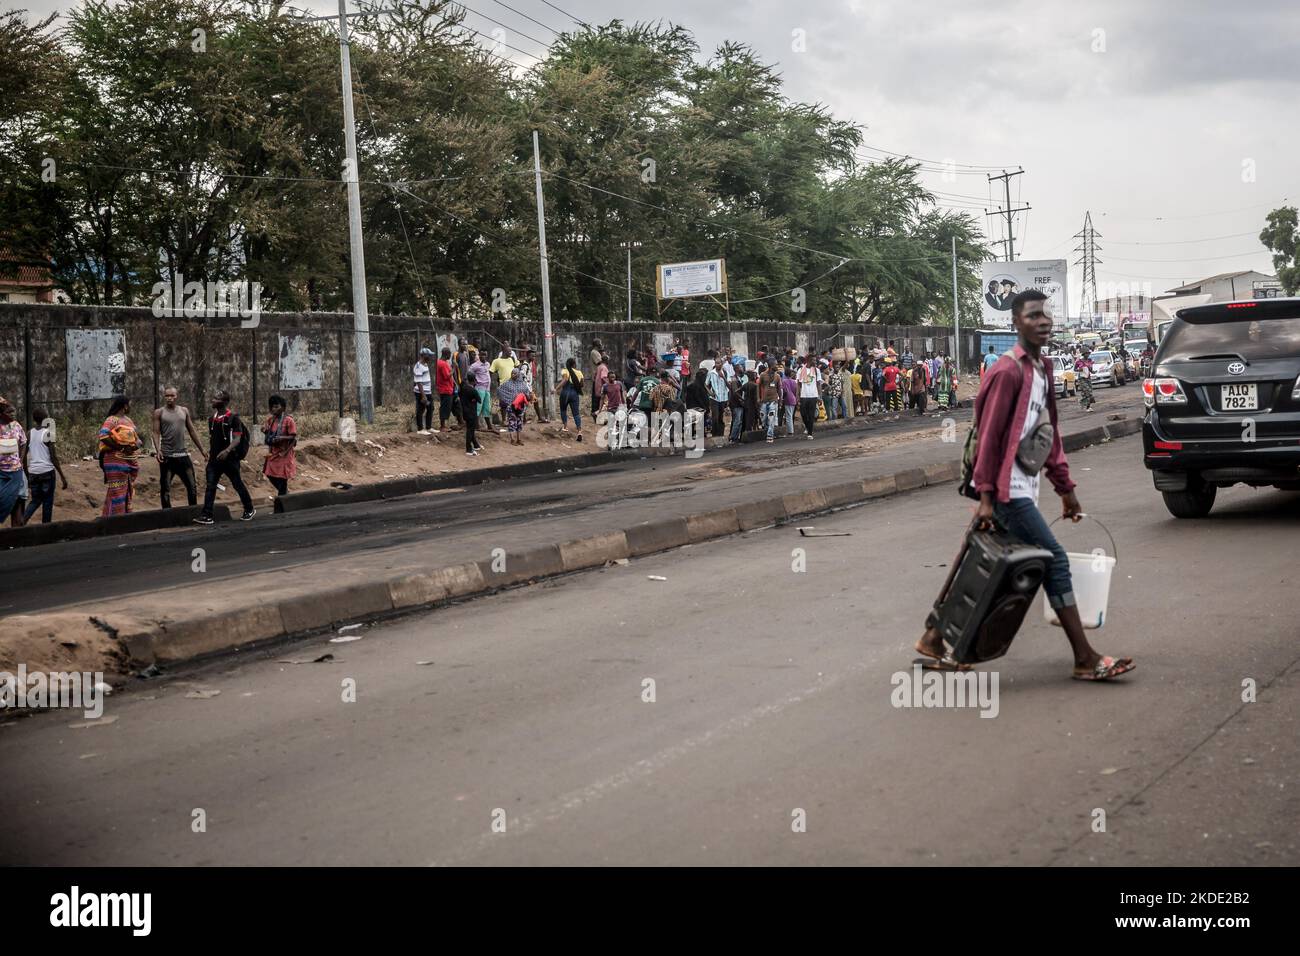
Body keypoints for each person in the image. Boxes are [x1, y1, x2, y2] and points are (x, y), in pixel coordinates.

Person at [916, 289, 1135, 681]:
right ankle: (1084, 657)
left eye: (1046, 315)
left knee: (974, 561)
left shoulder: (1042, 370)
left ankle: (934, 637)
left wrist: (1066, 490)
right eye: (1033, 315)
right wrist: (986, 497)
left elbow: (1046, 436)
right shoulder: (1006, 371)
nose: (1043, 321)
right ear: (1016, 322)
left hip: (1020, 487)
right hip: (1006, 491)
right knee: (1055, 561)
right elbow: (990, 436)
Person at [195, 389, 254, 524]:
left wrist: (227, 451)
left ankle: (249, 508)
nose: (213, 400)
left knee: (237, 484)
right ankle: (207, 515)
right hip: (214, 460)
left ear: (225, 402)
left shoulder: (233, 418)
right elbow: (213, 438)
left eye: (216, 398)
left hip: (230, 460)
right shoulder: (211, 419)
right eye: (214, 398)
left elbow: (237, 439)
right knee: (210, 486)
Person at [152, 385, 206, 509]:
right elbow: (156, 432)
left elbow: (192, 431)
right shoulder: (159, 412)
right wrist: (157, 450)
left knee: (192, 487)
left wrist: (202, 450)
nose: (169, 398)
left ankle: (193, 511)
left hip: (183, 456)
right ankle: (167, 515)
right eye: (167, 396)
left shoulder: (184, 411)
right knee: (165, 489)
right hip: (167, 457)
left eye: (172, 395)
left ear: (176, 396)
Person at [22, 408, 68, 524]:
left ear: (34, 419)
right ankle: (46, 531)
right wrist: (62, 476)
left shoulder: (29, 433)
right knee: (47, 502)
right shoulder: (48, 433)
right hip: (47, 472)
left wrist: (27, 473)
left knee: (35, 501)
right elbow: (53, 458)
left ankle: (22, 521)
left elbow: (23, 457)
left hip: (34, 473)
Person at [98, 395, 140, 517]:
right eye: (129, 404)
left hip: (129, 461)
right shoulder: (112, 420)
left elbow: (137, 439)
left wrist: (135, 445)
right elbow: (103, 436)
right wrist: (121, 448)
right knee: (116, 491)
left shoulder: (128, 420)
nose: (130, 406)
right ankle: (116, 520)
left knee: (126, 490)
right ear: (125, 406)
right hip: (115, 461)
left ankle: (120, 518)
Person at [261, 395, 298, 495]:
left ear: (283, 407)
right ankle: (285, 494)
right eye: (272, 407)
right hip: (273, 452)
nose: (274, 409)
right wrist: (265, 431)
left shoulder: (289, 420)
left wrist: (282, 438)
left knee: (282, 478)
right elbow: (270, 435)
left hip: (284, 453)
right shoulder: (270, 420)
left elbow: (293, 437)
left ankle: (282, 500)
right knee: (269, 474)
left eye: (276, 406)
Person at [0, 399, 27, 526]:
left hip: (15, 471)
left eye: (13, 411)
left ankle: (16, 533)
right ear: (2, 413)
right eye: (9, 412)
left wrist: (20, 461)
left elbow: (23, 442)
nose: (12, 414)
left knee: (16, 502)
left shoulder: (16, 426)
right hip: (1, 472)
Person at [556, 356, 584, 442]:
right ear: (574, 364)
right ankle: (579, 431)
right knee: (576, 413)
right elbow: (582, 384)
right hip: (574, 394)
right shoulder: (579, 372)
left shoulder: (565, 370)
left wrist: (556, 388)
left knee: (563, 410)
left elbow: (565, 379)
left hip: (565, 393)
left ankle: (565, 427)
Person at [498, 368, 528, 446]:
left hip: (520, 406)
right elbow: (499, 390)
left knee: (519, 423)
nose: (513, 375)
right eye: (512, 373)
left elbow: (526, 393)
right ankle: (512, 439)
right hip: (511, 406)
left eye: (515, 373)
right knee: (512, 422)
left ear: (518, 374)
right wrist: (507, 400)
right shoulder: (507, 383)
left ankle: (519, 439)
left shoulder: (522, 384)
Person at [468, 350, 494, 433]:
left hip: (487, 389)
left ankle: (489, 426)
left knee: (487, 408)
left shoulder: (487, 364)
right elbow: (469, 374)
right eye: (482, 355)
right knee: (478, 407)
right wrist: (474, 383)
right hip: (479, 388)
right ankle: (476, 425)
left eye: (485, 355)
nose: (483, 357)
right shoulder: (475, 365)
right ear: (479, 355)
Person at [796, 356, 821, 439]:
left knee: (811, 415)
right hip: (804, 395)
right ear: (809, 360)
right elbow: (798, 384)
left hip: (813, 395)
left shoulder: (817, 371)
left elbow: (818, 384)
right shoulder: (800, 370)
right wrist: (797, 396)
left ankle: (810, 433)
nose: (815, 361)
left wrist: (819, 396)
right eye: (814, 360)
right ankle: (808, 427)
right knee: (803, 414)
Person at [758, 362, 782, 443]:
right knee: (763, 418)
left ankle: (770, 435)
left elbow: (779, 389)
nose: (776, 366)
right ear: (770, 366)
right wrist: (758, 398)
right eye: (775, 364)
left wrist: (780, 400)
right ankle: (766, 429)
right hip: (764, 401)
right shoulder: (762, 375)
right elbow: (758, 386)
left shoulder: (777, 376)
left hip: (773, 400)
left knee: (771, 417)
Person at [459, 376, 483, 456]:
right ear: (474, 381)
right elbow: (479, 400)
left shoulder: (463, 388)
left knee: (471, 429)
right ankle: (468, 449)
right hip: (472, 412)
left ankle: (476, 445)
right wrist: (474, 399)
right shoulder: (473, 390)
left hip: (465, 411)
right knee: (470, 430)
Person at [413, 347, 434, 434]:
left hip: (427, 391)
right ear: (424, 355)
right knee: (420, 410)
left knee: (431, 408)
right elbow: (418, 382)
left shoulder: (425, 364)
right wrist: (423, 395)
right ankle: (420, 429)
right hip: (421, 392)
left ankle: (428, 427)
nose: (430, 357)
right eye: (429, 355)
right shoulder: (418, 366)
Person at [435, 347, 456, 432]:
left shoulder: (442, 362)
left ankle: (444, 425)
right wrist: (454, 368)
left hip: (447, 388)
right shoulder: (442, 364)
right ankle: (442, 426)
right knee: (445, 407)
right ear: (446, 354)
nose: (450, 356)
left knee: (448, 406)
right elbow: (447, 376)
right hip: (445, 389)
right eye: (449, 354)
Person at [707, 361, 729, 438]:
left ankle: (720, 434)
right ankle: (714, 434)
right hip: (714, 398)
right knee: (715, 416)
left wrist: (723, 377)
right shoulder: (711, 373)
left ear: (722, 364)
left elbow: (729, 386)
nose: (718, 364)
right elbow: (706, 385)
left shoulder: (725, 373)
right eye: (716, 363)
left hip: (723, 398)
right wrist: (709, 392)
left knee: (720, 417)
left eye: (719, 363)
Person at [780, 364, 799, 437]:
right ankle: (790, 430)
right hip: (793, 399)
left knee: (788, 416)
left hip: (787, 399)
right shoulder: (794, 382)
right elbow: (795, 391)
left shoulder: (784, 381)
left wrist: (782, 399)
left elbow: (783, 391)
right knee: (790, 415)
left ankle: (790, 431)